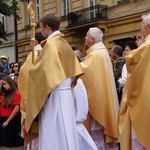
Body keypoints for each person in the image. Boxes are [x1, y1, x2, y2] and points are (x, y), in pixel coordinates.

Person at [24, 13, 85, 150]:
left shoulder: (51, 45)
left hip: (55, 96)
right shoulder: (64, 43)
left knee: (53, 131)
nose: (40, 31)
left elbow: (43, 74)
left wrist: (32, 68)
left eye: (40, 27)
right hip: (65, 95)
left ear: (46, 27)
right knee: (66, 131)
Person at [80, 27, 119, 149]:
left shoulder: (95, 55)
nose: (85, 38)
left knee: (95, 136)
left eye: (87, 36)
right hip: (104, 98)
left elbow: (85, 74)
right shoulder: (101, 52)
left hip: (97, 103)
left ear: (92, 39)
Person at [119, 13, 150, 150]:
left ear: (148, 27)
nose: (140, 31)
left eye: (142, 27)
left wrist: (142, 44)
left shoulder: (147, 45)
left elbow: (131, 60)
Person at [18, 31, 46, 150]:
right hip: (45, 96)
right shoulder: (46, 51)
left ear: (35, 42)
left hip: (33, 98)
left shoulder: (34, 54)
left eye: (31, 41)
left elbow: (24, 73)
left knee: (33, 133)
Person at [0, 75, 24, 147]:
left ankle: (24, 139)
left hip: (13, 119)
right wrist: (0, 84)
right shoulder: (4, 95)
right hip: (4, 118)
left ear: (10, 83)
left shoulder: (17, 93)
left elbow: (16, 109)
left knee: (12, 143)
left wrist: (8, 121)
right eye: (3, 84)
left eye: (5, 84)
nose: (4, 86)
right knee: (6, 143)